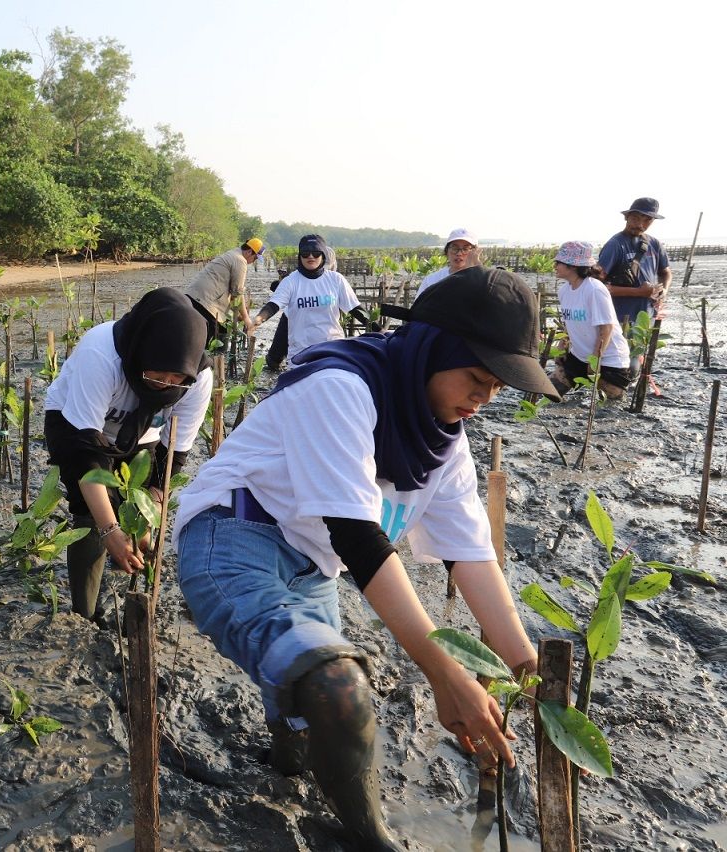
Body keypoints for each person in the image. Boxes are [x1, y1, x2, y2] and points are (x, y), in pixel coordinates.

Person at [173, 267, 556, 850]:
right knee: (337, 686)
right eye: (477, 377)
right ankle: (372, 839)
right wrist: (445, 674)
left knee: (308, 711)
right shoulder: (340, 387)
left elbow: (471, 557)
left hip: (312, 565)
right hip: (233, 538)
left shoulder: (443, 438)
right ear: (431, 351)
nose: (485, 398)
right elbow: (358, 538)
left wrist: (528, 673)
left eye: (500, 386)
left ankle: (286, 772)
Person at [44, 288, 213, 623]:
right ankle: (85, 611)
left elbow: (172, 456)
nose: (165, 385)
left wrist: (149, 512)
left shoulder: (198, 377)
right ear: (139, 357)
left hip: (141, 435)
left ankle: (135, 599)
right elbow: (86, 456)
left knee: (136, 516)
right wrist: (110, 531)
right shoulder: (101, 355)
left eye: (175, 379)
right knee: (89, 514)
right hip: (74, 423)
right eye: (156, 376)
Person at [252, 234, 368, 369]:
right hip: (301, 354)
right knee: (276, 359)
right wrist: (259, 318)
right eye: (306, 253)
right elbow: (273, 305)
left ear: (323, 255)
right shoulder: (291, 281)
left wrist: (379, 330)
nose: (311, 257)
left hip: (333, 350)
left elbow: (355, 309)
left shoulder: (336, 279)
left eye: (316, 253)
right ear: (300, 256)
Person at [551, 241, 632, 399]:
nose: (555, 266)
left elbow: (606, 328)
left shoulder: (594, 289)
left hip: (609, 359)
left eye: (558, 262)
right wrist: (562, 346)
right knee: (549, 394)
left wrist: (595, 360)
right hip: (579, 356)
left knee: (611, 406)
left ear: (573, 266)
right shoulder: (564, 291)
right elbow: (569, 323)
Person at [599, 197, 671, 325]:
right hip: (620, 318)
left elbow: (665, 272)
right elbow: (598, 287)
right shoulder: (615, 245)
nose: (640, 224)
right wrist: (639, 292)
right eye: (635, 218)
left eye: (647, 220)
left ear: (653, 221)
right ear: (626, 217)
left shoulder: (654, 244)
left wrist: (664, 290)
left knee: (645, 344)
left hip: (648, 316)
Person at [184, 238, 263, 342]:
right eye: (255, 258)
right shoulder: (240, 261)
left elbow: (233, 293)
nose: (253, 262)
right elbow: (237, 294)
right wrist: (246, 319)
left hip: (192, 295)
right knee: (217, 338)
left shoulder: (232, 253)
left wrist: (238, 315)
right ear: (249, 252)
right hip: (206, 302)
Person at [414, 228, 481, 301]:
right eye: (455, 248)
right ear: (447, 251)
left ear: (476, 252)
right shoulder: (431, 280)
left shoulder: (483, 281)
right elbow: (418, 308)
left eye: (465, 249)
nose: (459, 253)